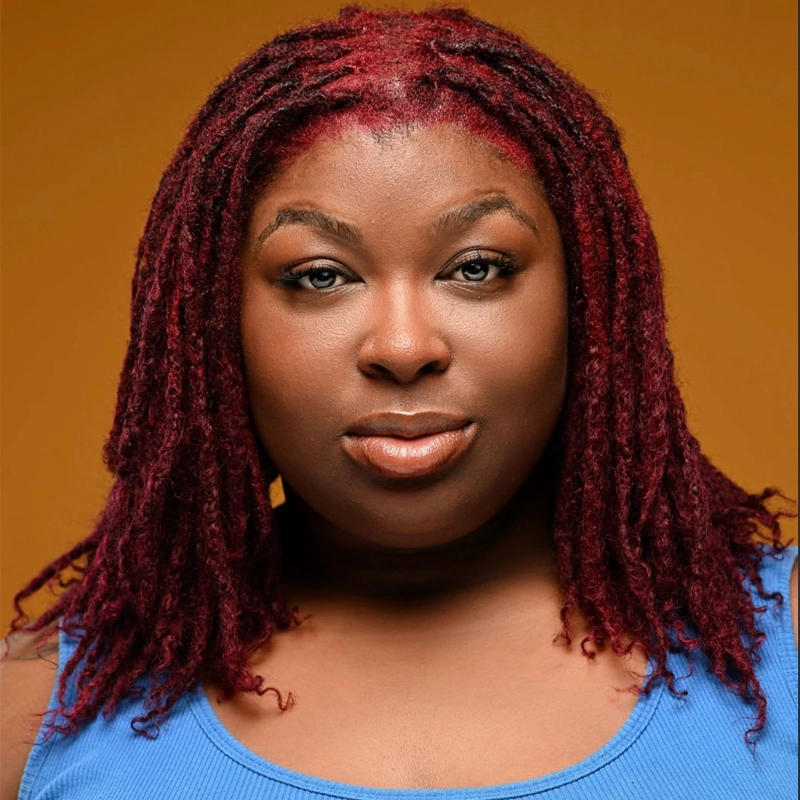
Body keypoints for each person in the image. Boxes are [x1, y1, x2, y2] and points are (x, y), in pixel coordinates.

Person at [1, 6, 797, 798]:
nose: (404, 347)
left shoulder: (783, 643)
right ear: (213, 324)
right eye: (320, 276)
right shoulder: (32, 713)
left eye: (476, 267)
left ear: (589, 300)